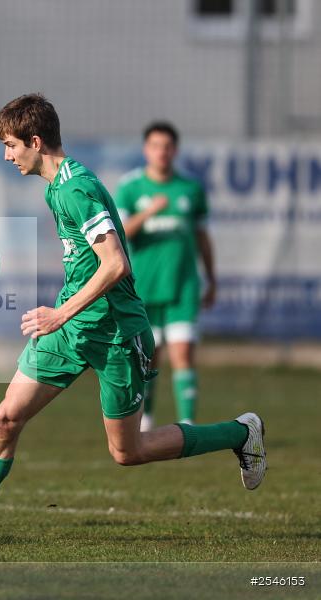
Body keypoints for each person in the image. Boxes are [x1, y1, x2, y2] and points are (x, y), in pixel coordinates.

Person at [0, 94, 266, 545]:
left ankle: (241, 432)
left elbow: (115, 263)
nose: (6, 154)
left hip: (116, 332)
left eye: (11, 144)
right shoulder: (57, 186)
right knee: (6, 417)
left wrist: (60, 311)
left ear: (35, 141)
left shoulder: (76, 187)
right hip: (72, 328)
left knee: (127, 451)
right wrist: (64, 315)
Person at [115, 122, 216, 431]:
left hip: (183, 286)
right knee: (150, 359)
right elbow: (120, 234)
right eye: (156, 146)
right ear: (146, 150)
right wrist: (148, 213)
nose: (162, 152)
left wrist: (212, 278)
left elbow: (202, 237)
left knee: (183, 352)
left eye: (168, 146)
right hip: (144, 287)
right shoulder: (131, 188)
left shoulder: (190, 189)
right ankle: (145, 422)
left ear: (175, 150)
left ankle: (187, 423)